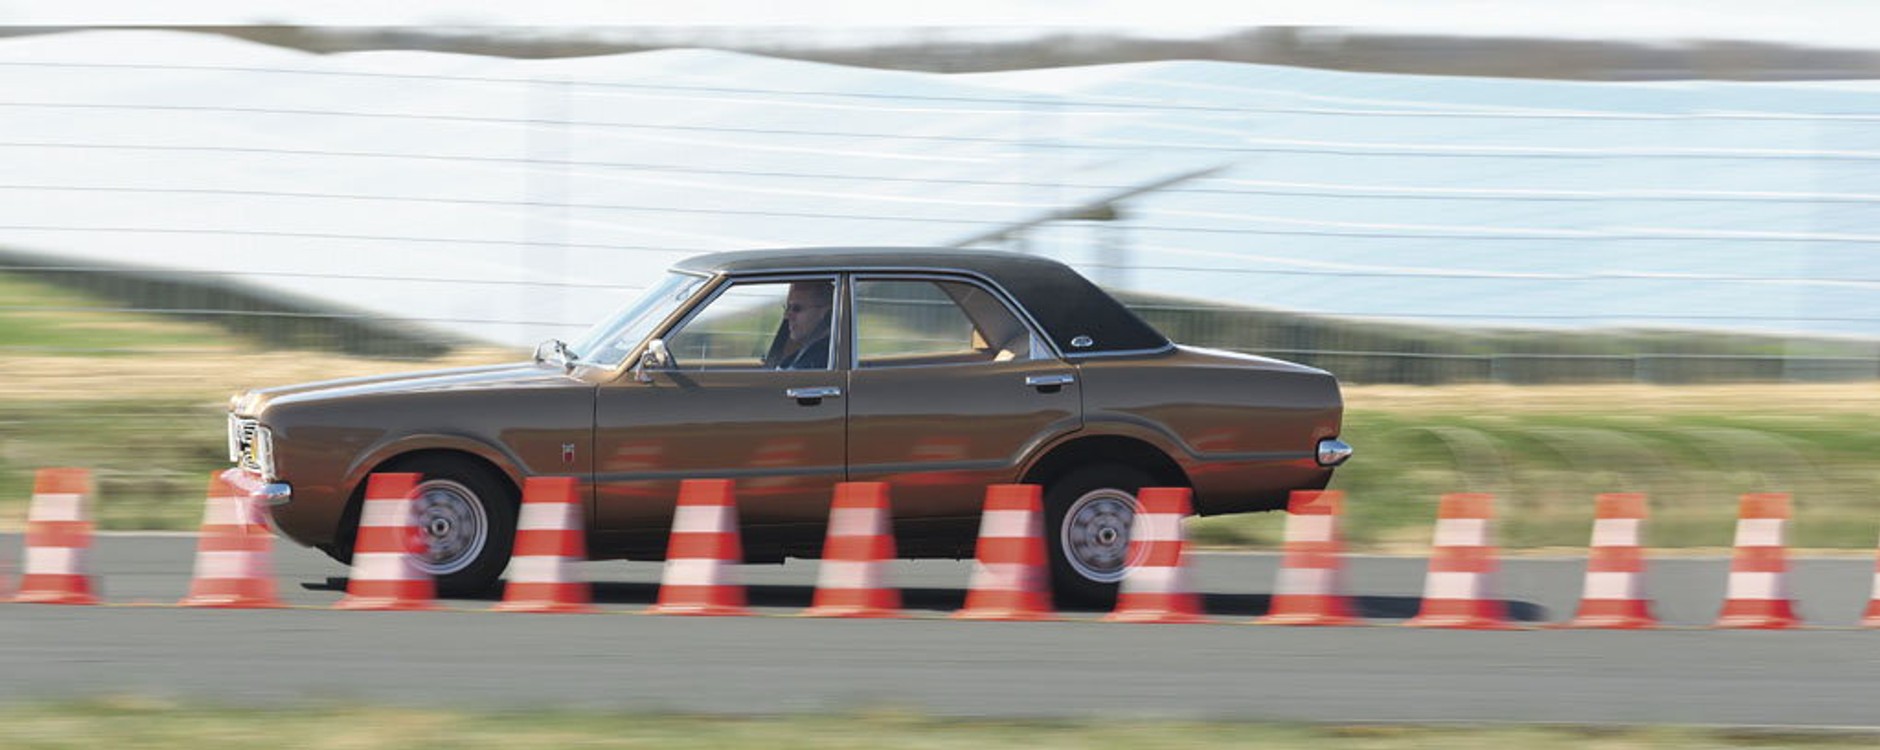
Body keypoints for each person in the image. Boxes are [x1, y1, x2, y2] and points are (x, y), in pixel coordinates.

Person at [768, 281, 832, 370]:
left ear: (824, 312)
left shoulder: (820, 359)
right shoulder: (808, 351)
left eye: (796, 308)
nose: (787, 316)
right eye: (787, 308)